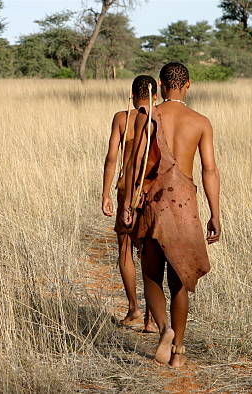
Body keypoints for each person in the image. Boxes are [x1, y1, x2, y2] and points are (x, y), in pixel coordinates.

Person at [122, 62, 221, 368]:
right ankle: (178, 350)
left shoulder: (148, 117)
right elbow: (209, 170)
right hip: (185, 204)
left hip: (153, 200)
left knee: (152, 274)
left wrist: (128, 203)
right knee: (180, 280)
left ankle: (164, 328)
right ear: (188, 85)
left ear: (161, 86)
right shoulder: (201, 122)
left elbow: (136, 165)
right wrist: (215, 213)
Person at [102, 75, 158, 333]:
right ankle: (150, 316)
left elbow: (112, 157)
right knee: (150, 253)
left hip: (127, 190)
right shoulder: (161, 118)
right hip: (153, 192)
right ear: (155, 96)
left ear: (133, 95)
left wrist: (105, 193)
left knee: (125, 248)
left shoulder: (122, 118)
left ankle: (134, 308)